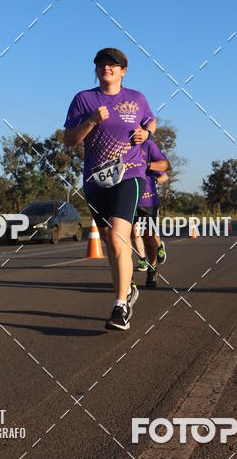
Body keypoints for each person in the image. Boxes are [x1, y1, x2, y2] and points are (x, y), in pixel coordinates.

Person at [64, 48, 156, 331]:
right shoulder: (84, 99)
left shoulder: (136, 98)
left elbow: (151, 120)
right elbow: (68, 140)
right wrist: (91, 120)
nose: (107, 67)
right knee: (107, 241)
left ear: (123, 71)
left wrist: (148, 133)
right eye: (102, 63)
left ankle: (120, 306)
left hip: (130, 175)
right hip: (95, 181)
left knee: (118, 239)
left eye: (114, 64)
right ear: (97, 69)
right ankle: (128, 289)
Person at [133, 139, 170, 289]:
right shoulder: (119, 144)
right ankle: (141, 260)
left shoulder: (147, 146)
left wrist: (155, 178)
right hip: (128, 200)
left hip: (148, 201)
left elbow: (164, 172)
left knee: (149, 235)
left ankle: (152, 267)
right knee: (133, 233)